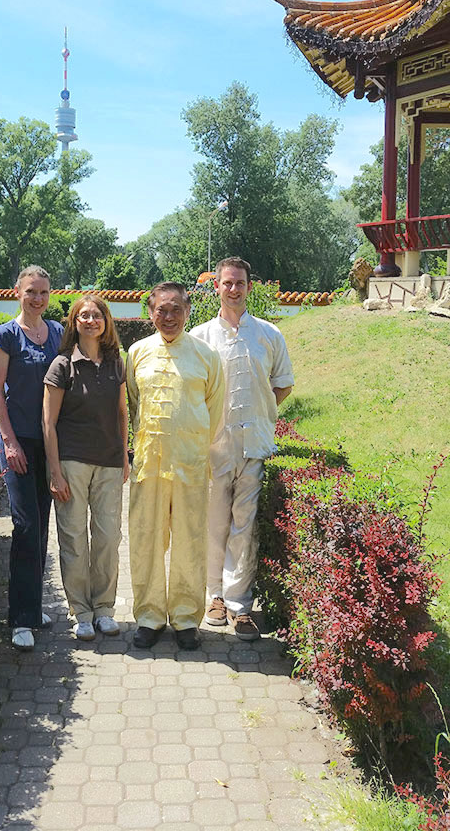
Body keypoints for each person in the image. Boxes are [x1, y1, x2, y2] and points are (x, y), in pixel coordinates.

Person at [191, 257, 294, 640]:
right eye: (227, 282)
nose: (233, 289)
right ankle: (213, 596)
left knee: (244, 526)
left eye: (240, 282)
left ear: (250, 286)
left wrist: (263, 412)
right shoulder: (201, 338)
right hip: (214, 447)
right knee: (213, 523)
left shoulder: (268, 335)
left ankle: (240, 605)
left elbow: (282, 383)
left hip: (254, 446)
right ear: (216, 286)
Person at [126, 282, 224, 651]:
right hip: (149, 465)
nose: (168, 317)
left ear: (187, 310)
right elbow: (134, 404)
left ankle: (185, 619)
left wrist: (193, 444)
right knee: (146, 541)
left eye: (176, 310)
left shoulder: (206, 356)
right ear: (150, 313)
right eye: (161, 310)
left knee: (189, 542)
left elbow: (214, 409)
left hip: (190, 465)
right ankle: (149, 617)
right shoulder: (136, 353)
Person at [42, 294, 129, 642]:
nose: (91, 321)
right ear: (74, 322)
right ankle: (82, 612)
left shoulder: (116, 362)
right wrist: (55, 472)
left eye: (97, 315)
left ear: (106, 322)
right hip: (72, 463)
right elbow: (48, 423)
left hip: (109, 462)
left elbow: (122, 414)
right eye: (84, 316)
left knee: (108, 538)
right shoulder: (62, 365)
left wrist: (124, 455)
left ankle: (105, 609)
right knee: (74, 539)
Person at [0, 265, 64, 651]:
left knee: (42, 522)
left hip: (47, 443)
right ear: (16, 291)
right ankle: (19, 617)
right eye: (31, 291)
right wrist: (10, 441)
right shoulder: (6, 335)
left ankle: (33, 608)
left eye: (44, 293)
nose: (37, 298)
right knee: (25, 525)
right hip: (17, 443)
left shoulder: (57, 333)